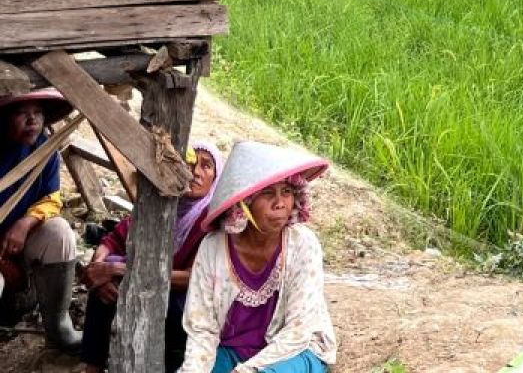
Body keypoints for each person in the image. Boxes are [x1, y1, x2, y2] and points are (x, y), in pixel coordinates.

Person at [178, 140, 337, 373]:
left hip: (296, 349)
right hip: (234, 350)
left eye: (287, 192)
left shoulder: (302, 244)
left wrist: (250, 370)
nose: (280, 203)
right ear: (244, 205)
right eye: (268, 193)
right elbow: (203, 329)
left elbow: (298, 329)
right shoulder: (213, 248)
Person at [80, 140, 224, 372]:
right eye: (190, 163)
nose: (196, 171)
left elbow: (192, 277)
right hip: (140, 280)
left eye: (206, 166)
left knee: (158, 303)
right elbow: (114, 239)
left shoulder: (210, 220)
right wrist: (98, 268)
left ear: (215, 178)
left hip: (177, 297)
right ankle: (93, 366)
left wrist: (119, 270)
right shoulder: (161, 201)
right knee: (104, 288)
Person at [0, 89, 81, 352]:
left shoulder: (45, 150)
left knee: (60, 233)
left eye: (37, 113)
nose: (32, 120)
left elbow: (51, 198)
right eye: (22, 113)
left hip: (19, 241)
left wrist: (26, 223)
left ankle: (58, 327)